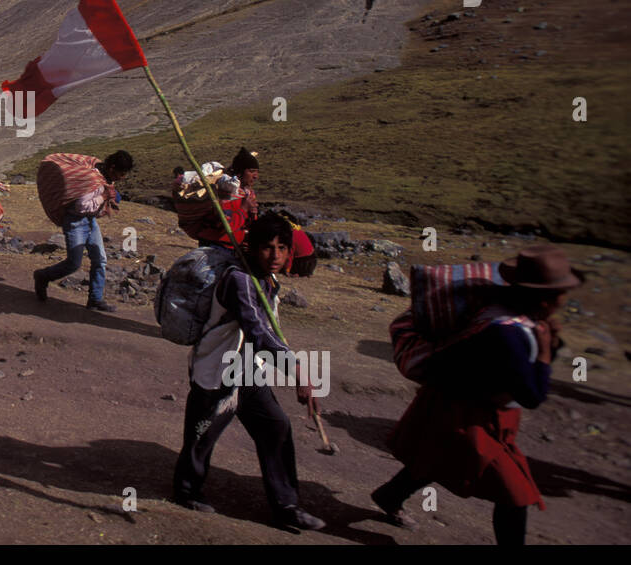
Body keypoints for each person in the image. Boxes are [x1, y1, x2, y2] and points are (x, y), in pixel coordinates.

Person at [371, 246, 578, 544]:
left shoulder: (503, 312)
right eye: (561, 293)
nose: (563, 300)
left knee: (436, 458)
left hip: (455, 404)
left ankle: (389, 496)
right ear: (545, 298)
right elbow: (532, 394)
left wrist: (548, 345)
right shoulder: (508, 333)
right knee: (514, 493)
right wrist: (546, 354)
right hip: (467, 416)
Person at [172, 212, 326, 532]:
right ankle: (186, 491)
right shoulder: (238, 280)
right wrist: (296, 370)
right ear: (252, 247)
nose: (276, 256)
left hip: (248, 370)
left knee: (276, 427)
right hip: (218, 367)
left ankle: (286, 505)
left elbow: (268, 331)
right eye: (268, 247)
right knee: (203, 434)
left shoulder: (269, 281)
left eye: (282, 248)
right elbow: (257, 329)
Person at [33, 150, 132, 313]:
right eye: (121, 174)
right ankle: (43, 276)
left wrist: (107, 196)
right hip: (76, 221)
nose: (123, 178)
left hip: (90, 220)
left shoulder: (102, 175)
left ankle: (95, 299)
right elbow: (81, 206)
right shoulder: (92, 180)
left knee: (100, 259)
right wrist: (104, 197)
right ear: (113, 168)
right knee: (74, 263)